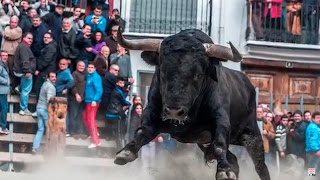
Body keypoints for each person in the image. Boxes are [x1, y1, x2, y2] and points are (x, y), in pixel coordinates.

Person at [32, 72, 56, 153]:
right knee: (49, 129)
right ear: (48, 77)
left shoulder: (44, 84)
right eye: (52, 77)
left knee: (40, 129)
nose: (54, 78)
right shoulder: (50, 87)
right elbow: (49, 99)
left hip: (39, 108)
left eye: (55, 76)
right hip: (45, 110)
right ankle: (50, 149)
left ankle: (35, 148)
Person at [13, 32, 35, 116]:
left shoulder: (23, 46)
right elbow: (24, 60)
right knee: (25, 91)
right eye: (29, 38)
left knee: (24, 89)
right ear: (24, 38)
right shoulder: (24, 47)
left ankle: (18, 87)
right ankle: (23, 109)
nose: (30, 40)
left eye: (31, 39)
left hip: (21, 71)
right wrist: (27, 71)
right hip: (25, 72)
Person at [83, 62, 103, 148]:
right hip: (88, 101)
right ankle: (93, 133)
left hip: (92, 102)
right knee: (85, 118)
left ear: (95, 68)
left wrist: (95, 100)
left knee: (91, 120)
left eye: (92, 67)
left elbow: (99, 90)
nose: (90, 69)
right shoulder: (89, 76)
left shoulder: (96, 77)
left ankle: (96, 141)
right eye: (89, 67)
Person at [1, 15, 22, 89]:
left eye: (15, 23)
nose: (13, 24)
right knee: (4, 71)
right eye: (12, 22)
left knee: (12, 71)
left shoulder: (19, 30)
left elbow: (9, 35)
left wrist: (5, 33)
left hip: (12, 54)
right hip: (4, 53)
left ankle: (13, 86)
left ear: (17, 23)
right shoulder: (7, 28)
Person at [33, 32, 56, 97]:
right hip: (45, 70)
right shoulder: (47, 46)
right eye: (44, 37)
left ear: (51, 39)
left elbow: (46, 60)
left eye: (48, 38)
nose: (45, 39)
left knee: (39, 87)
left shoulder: (50, 47)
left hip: (46, 71)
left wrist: (38, 69)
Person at [69, 61, 86, 138]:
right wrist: (76, 94)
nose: (81, 67)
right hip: (74, 98)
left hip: (82, 99)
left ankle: (79, 131)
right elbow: (72, 85)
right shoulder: (74, 74)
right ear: (77, 66)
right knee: (73, 115)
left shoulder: (85, 75)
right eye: (80, 65)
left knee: (80, 115)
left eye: (83, 66)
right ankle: (72, 131)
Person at [0, 51, 10, 134]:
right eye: (3, 55)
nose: (5, 57)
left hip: (3, 91)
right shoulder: (0, 65)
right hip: (1, 91)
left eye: (6, 55)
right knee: (4, 108)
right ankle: (2, 127)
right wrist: (6, 81)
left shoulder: (5, 65)